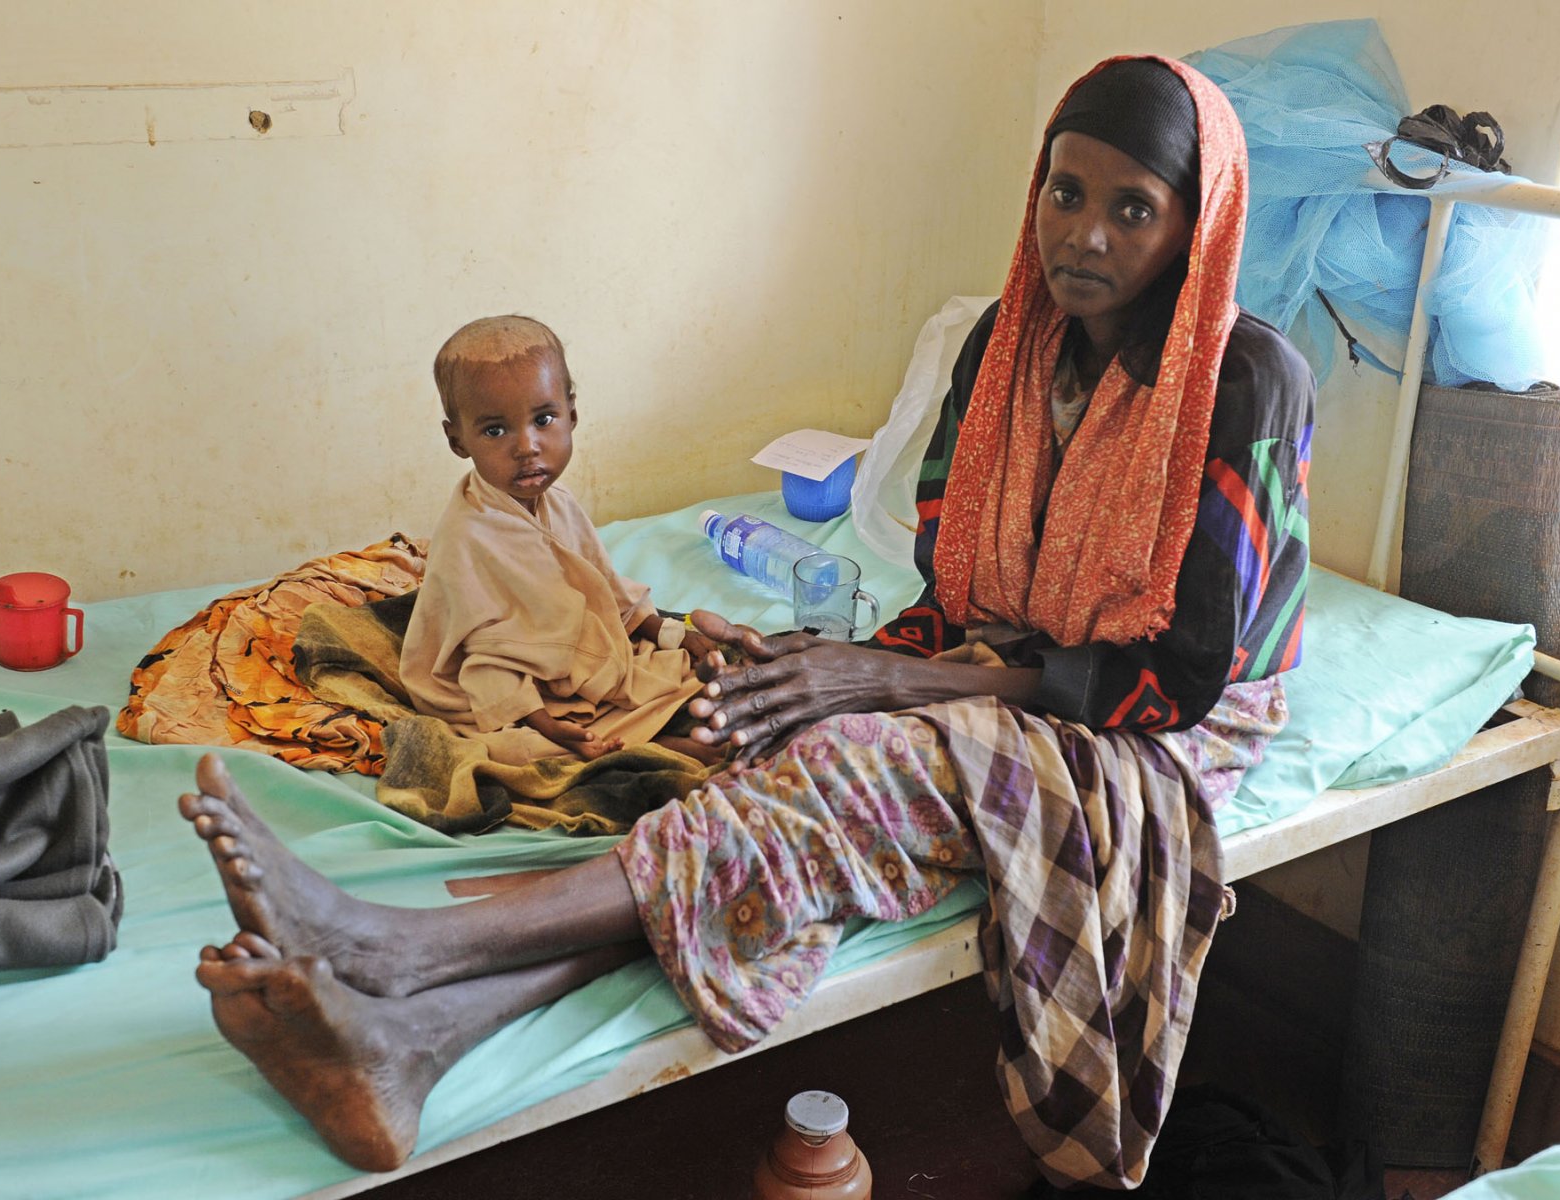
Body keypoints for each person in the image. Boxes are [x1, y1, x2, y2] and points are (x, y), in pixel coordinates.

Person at [181, 56, 1313, 1187]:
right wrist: (828, 663)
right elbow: (962, 599)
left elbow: (1179, 680)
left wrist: (885, 688)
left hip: (1166, 725)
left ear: (1194, 226)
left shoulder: (1247, 384)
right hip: (1014, 672)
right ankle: (416, 1043)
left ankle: (403, 951)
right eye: (1065, 193)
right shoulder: (1007, 352)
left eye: (1133, 209)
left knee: (855, 763)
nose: (1087, 236)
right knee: (769, 747)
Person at [398, 315, 718, 765]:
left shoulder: (558, 501)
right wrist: (545, 723)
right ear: (457, 440)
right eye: (495, 430)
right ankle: (651, 747)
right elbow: (483, 661)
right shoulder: (465, 539)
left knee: (684, 674)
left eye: (544, 419)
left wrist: (668, 633)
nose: (527, 446)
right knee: (521, 751)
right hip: (500, 695)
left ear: (572, 414)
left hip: (563, 668)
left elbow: (603, 589)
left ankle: (657, 730)